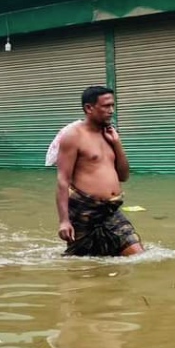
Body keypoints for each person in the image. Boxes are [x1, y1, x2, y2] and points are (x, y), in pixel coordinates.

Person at [56, 86, 143, 257]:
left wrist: (117, 143)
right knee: (81, 265)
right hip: (84, 212)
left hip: (110, 210)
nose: (111, 111)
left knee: (138, 257)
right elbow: (63, 180)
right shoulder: (73, 136)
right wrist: (64, 221)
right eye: (106, 106)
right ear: (89, 108)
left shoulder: (109, 134)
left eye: (113, 106)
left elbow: (124, 176)